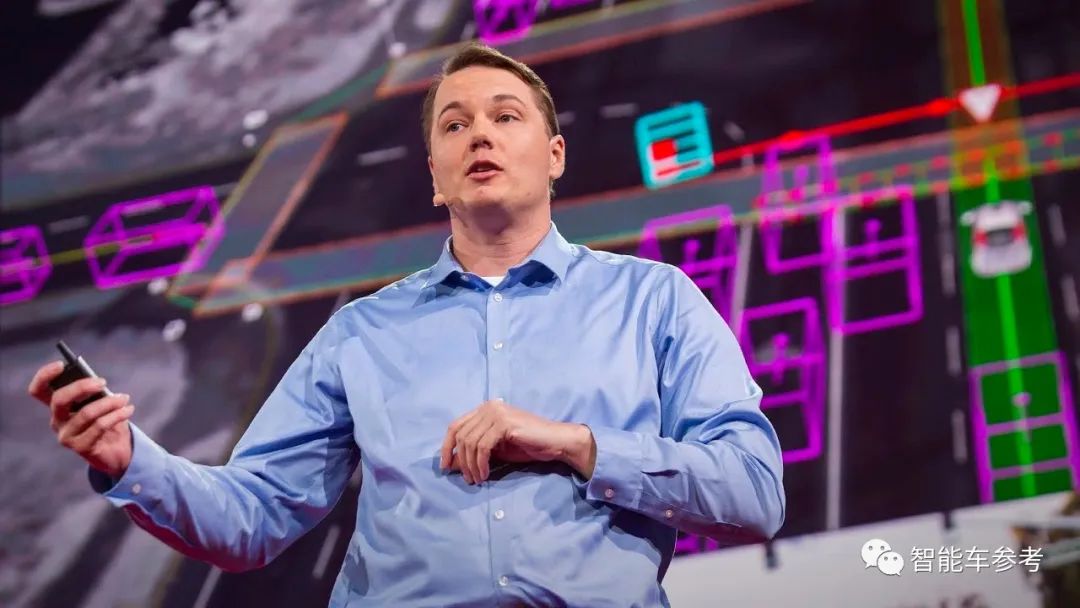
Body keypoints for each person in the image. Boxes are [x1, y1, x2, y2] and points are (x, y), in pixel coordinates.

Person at [28, 41, 785, 607]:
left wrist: (578, 445)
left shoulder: (653, 301)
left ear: (555, 156)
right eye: (455, 125)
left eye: (505, 116)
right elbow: (251, 519)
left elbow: (753, 493)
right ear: (434, 177)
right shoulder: (361, 335)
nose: (480, 135)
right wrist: (128, 460)